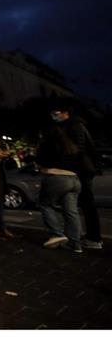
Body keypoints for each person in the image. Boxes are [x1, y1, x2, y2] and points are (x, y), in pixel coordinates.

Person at [50, 104, 103, 249]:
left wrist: (68, 168)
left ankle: (94, 238)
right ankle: (85, 236)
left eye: (56, 112)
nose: (54, 116)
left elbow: (77, 150)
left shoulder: (74, 125)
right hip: (82, 169)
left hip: (81, 170)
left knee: (87, 205)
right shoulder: (73, 125)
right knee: (81, 204)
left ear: (66, 113)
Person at [35, 109, 84, 253]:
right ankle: (75, 243)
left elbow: (41, 161)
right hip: (74, 179)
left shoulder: (47, 144)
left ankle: (56, 233)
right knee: (71, 211)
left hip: (56, 177)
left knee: (44, 204)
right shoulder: (70, 144)